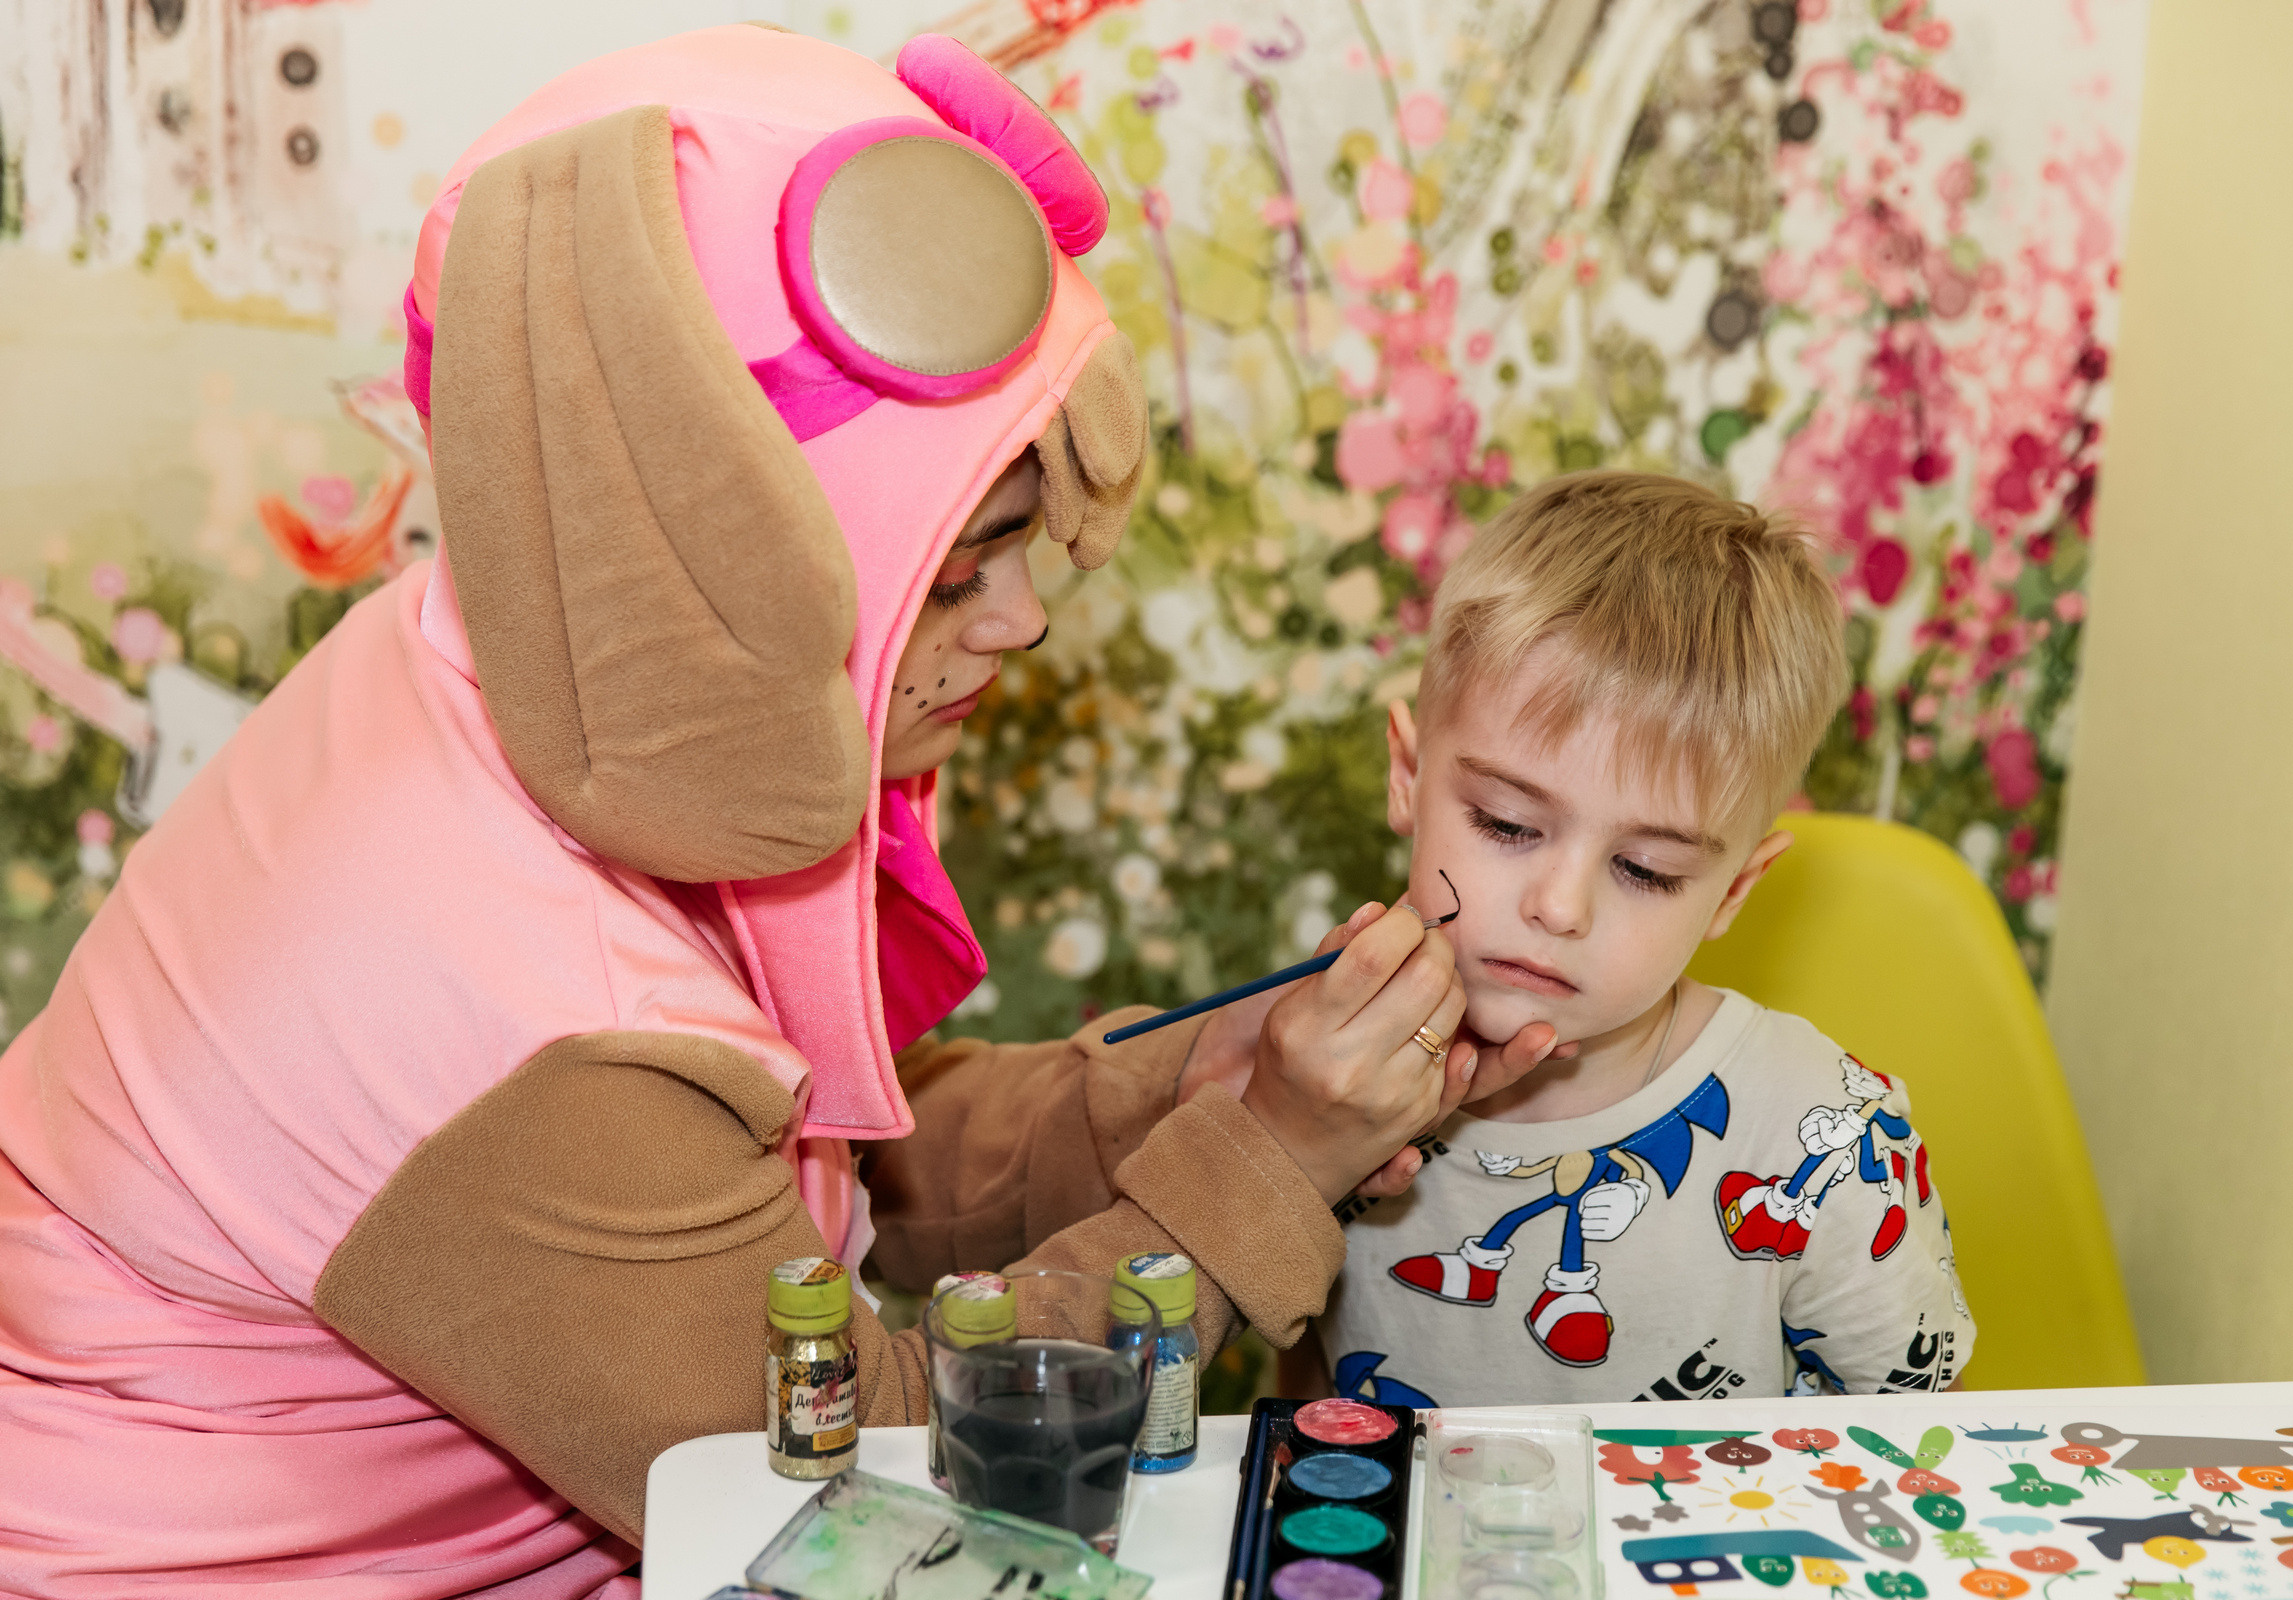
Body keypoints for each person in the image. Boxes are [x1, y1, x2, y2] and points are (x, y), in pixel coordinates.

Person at [0, 29, 1562, 1597]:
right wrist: (1264, 1168)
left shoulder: (544, 676)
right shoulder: (518, 1018)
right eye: (954, 567)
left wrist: (1195, 1090)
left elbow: (809, 1180)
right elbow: (863, 1482)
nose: (1021, 620)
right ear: (718, 536)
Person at [1291, 472, 1978, 1409]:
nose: (1560, 908)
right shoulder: (1320, 1072)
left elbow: (1920, 1446)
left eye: (1646, 871)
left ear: (1733, 891)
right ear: (1408, 778)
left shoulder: (1827, 1140)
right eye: (1504, 823)